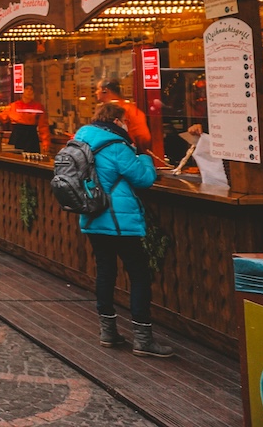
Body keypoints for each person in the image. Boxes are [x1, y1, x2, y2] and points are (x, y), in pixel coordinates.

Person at [76, 101, 174, 358]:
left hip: (92, 216)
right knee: (139, 275)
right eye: (126, 121)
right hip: (119, 221)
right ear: (116, 121)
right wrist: (144, 156)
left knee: (105, 272)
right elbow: (144, 178)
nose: (128, 125)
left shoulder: (81, 140)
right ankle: (143, 339)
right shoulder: (116, 146)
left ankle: (108, 332)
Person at [0, 83, 51, 154]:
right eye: (26, 89)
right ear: (22, 92)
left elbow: (43, 126)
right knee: (14, 157)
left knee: (31, 157)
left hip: (31, 136)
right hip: (17, 135)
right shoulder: (14, 106)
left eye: (31, 89)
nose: (29, 91)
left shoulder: (38, 107)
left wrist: (46, 142)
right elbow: (3, 117)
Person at [96, 79, 152, 153]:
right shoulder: (131, 109)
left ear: (105, 90)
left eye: (98, 89)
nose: (96, 92)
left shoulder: (123, 109)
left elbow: (143, 136)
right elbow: (143, 137)